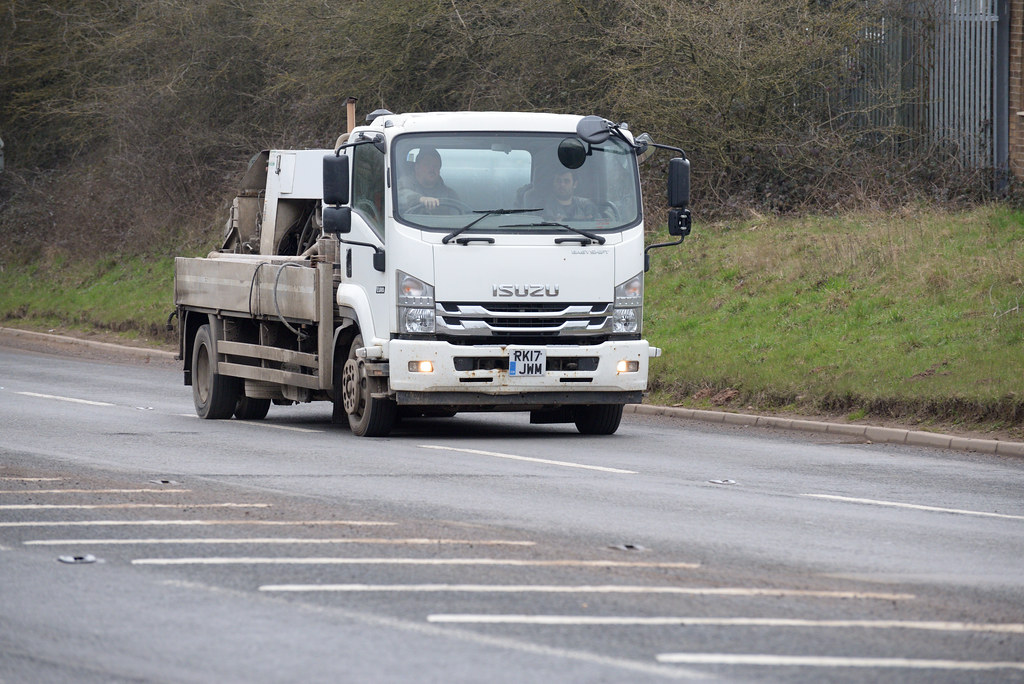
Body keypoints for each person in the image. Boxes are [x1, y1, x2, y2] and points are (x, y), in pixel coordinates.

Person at [397, 146, 458, 211]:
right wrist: (420, 199)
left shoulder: (449, 194)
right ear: (417, 167)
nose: (432, 169)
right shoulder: (404, 183)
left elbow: (459, 214)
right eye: (427, 164)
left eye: (435, 166)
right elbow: (398, 195)